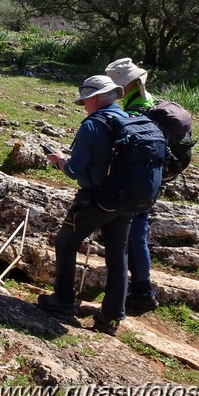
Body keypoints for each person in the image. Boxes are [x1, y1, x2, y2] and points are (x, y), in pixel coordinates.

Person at [38, 75, 133, 335]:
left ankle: (63, 300)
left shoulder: (92, 126)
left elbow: (74, 170)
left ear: (93, 98)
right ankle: (112, 318)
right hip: (129, 200)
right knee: (118, 257)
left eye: (84, 102)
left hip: (98, 199)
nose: (83, 106)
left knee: (65, 243)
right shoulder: (129, 120)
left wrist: (58, 161)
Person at [104, 57, 159, 314]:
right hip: (148, 178)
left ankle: (140, 292)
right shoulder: (149, 102)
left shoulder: (138, 110)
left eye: (120, 85)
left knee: (132, 236)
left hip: (135, 180)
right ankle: (142, 291)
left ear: (134, 83)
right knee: (138, 235)